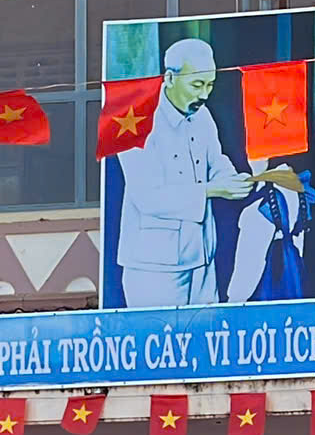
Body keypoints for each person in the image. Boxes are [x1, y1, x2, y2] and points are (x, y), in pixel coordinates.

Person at [113, 38, 299, 307]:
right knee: (159, 332)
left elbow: (216, 160)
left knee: (206, 330)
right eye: (197, 84)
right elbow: (148, 197)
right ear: (169, 78)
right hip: (153, 266)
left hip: (202, 257)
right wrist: (214, 189)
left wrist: (232, 179)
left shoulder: (202, 116)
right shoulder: (136, 121)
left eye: (210, 85)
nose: (204, 94)